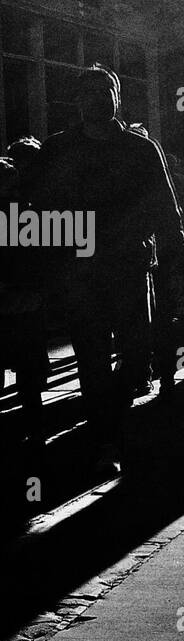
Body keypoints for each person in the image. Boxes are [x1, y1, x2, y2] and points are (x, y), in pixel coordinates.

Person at [34, 65, 184, 473]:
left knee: (137, 357)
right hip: (80, 270)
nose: (96, 99)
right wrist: (46, 267)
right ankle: (105, 439)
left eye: (104, 91)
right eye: (88, 93)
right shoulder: (58, 149)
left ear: (117, 97)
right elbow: (39, 209)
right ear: (77, 100)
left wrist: (177, 260)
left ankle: (114, 422)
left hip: (129, 266)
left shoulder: (141, 149)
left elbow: (165, 206)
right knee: (91, 357)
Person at [0, 155, 47, 452]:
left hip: (12, 297)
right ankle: (35, 426)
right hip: (27, 298)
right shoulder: (29, 215)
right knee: (29, 370)